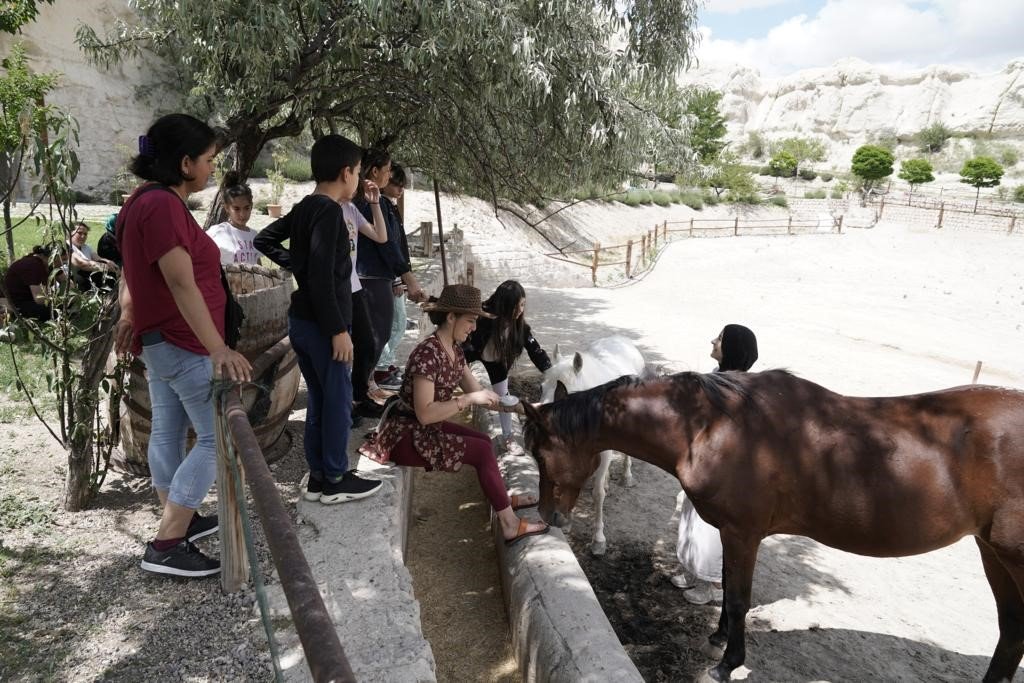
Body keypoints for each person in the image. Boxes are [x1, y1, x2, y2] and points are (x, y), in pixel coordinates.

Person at [115, 113, 253, 578]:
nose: (213, 169)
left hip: (162, 342)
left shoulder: (142, 201)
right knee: (218, 438)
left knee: (169, 430)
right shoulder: (163, 207)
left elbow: (133, 269)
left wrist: (129, 311)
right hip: (182, 342)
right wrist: (218, 348)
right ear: (186, 162)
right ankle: (167, 542)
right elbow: (180, 281)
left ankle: (179, 518)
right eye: (210, 160)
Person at [361, 284, 549, 545]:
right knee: (483, 452)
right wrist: (467, 399)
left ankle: (503, 502)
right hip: (404, 435)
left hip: (425, 429)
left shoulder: (455, 351)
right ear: (451, 317)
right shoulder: (427, 353)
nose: (474, 327)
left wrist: (527, 409)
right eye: (470, 320)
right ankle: (510, 524)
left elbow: (485, 397)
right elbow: (425, 413)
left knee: (484, 443)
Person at [254, 134, 384, 504]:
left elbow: (267, 242)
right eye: (358, 172)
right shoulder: (328, 212)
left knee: (321, 400)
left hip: (302, 321)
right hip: (325, 326)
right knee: (338, 400)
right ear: (346, 173)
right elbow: (326, 281)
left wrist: (302, 267)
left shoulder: (305, 207)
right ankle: (335, 478)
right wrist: (339, 330)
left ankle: (318, 476)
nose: (358, 179)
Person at [672, 323, 758, 604]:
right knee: (691, 518)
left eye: (719, 339)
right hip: (700, 464)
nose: (713, 341)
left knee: (709, 527)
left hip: (720, 475)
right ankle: (692, 570)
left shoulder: (738, 389)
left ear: (732, 348)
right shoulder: (715, 379)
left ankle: (712, 585)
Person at [355, 154, 424, 400]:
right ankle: (361, 389)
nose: (388, 176)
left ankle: (366, 384)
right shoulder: (372, 203)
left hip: (378, 275)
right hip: (372, 277)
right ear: (374, 172)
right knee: (375, 336)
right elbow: (386, 245)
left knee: (378, 335)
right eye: (386, 171)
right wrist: (406, 276)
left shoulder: (382, 204)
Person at [462, 280, 551, 451]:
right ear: (504, 305)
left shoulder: (520, 327)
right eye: (515, 306)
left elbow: (536, 350)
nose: (520, 311)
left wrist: (551, 371)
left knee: (504, 395)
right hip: (472, 354)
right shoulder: (483, 316)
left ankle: (508, 436)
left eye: (523, 305)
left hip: (497, 363)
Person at [373, 163, 422, 390]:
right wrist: (398, 278)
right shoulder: (380, 206)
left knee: (398, 322)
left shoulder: (388, 206)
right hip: (390, 278)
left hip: (395, 276)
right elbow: (387, 246)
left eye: (402, 185)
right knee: (394, 323)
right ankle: (381, 368)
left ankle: (387, 363)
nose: (400, 189)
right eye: (396, 183)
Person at [207, 173, 261, 265]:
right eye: (236, 209)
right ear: (227, 208)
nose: (242, 214)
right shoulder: (216, 232)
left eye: (246, 208)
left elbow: (258, 266)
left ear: (251, 206)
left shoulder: (255, 236)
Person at [2, 245, 63, 322]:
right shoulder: (34, 265)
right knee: (51, 311)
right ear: (51, 258)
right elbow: (40, 299)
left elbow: (68, 284)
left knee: (61, 306)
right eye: (62, 260)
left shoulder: (45, 263)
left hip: (26, 300)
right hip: (13, 303)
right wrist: (61, 300)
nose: (63, 264)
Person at [69, 222, 118, 291]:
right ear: (70, 233)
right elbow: (82, 264)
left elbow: (98, 259)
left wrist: (109, 262)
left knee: (109, 273)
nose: (83, 236)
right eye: (79, 233)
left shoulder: (86, 247)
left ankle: (107, 292)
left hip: (86, 273)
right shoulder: (67, 247)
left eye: (85, 234)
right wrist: (106, 267)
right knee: (81, 280)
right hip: (71, 277)